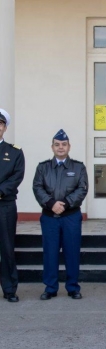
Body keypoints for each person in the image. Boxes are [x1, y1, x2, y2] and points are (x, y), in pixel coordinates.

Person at [33, 129, 88, 300]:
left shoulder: (78, 167)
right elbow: (37, 187)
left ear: (69, 146)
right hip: (50, 217)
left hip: (71, 216)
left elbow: (82, 188)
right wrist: (51, 204)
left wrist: (64, 204)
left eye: (64, 144)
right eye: (57, 145)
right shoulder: (43, 167)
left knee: (72, 252)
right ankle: (50, 288)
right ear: (52, 147)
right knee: (50, 253)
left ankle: (73, 287)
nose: (61, 147)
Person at [0, 108, 25, 303]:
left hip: (5, 205)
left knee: (7, 248)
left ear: (5, 128)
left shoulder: (14, 152)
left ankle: (9, 290)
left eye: (0, 124)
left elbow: (17, 176)